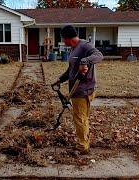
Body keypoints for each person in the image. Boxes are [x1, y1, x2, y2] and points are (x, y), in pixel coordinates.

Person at [54, 25, 103, 154]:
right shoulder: (73, 48)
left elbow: (99, 55)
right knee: (81, 117)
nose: (63, 41)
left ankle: (83, 147)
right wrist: (61, 79)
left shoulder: (84, 46)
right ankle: (84, 140)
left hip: (82, 89)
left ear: (67, 38)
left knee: (80, 118)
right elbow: (71, 69)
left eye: (63, 39)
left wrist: (85, 61)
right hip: (76, 90)